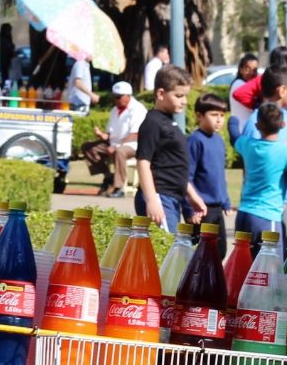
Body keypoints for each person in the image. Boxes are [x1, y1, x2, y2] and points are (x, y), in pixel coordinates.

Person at [135, 64, 206, 233]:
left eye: (185, 96)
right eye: (179, 95)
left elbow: (174, 166)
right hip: (160, 197)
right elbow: (143, 162)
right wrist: (152, 200)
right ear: (161, 94)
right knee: (168, 254)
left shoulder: (169, 122)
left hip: (172, 198)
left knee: (171, 254)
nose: (184, 101)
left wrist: (193, 196)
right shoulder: (153, 122)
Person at [234, 103, 287, 258]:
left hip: (243, 215)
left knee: (242, 266)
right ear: (283, 125)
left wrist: (233, 121)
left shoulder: (247, 144)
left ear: (257, 125)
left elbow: (233, 136)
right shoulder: (283, 152)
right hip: (267, 216)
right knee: (269, 270)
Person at [81, 81, 145, 197]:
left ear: (128, 96)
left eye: (118, 97)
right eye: (114, 97)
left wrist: (116, 146)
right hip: (114, 143)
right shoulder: (114, 110)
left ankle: (119, 187)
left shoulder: (138, 110)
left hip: (133, 145)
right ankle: (108, 176)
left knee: (120, 152)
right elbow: (110, 134)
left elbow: (135, 134)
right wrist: (102, 135)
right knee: (87, 147)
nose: (115, 100)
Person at [188, 92, 232, 258]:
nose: (219, 119)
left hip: (217, 208)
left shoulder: (219, 140)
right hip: (201, 209)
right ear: (199, 115)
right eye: (214, 115)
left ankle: (212, 283)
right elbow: (187, 177)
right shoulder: (195, 140)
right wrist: (190, 207)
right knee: (202, 253)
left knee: (220, 251)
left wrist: (226, 201)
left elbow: (219, 175)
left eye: (222, 115)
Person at [228, 51, 260, 143]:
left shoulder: (247, 85)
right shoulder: (239, 84)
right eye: (247, 69)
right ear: (241, 69)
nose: (251, 73)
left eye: (254, 70)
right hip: (242, 131)